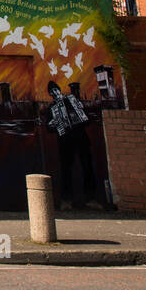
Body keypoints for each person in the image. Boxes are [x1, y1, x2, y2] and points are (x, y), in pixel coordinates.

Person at [44, 80, 96, 210]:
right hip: (65, 140)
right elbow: (49, 127)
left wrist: (81, 111)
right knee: (66, 170)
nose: (54, 93)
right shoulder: (52, 109)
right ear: (50, 94)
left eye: (56, 90)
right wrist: (53, 123)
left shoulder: (72, 99)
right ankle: (67, 200)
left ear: (59, 90)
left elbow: (86, 118)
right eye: (52, 92)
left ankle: (91, 198)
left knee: (87, 167)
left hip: (81, 138)